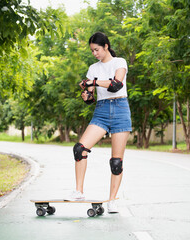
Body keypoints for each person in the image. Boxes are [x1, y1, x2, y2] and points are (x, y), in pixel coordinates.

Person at [68, 32, 132, 213]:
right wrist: (86, 95)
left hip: (120, 108)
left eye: (97, 49)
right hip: (102, 111)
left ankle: (112, 200)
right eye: (92, 51)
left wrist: (93, 82)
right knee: (79, 149)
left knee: (116, 162)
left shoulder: (120, 62)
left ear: (105, 46)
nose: (94, 53)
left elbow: (116, 85)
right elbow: (90, 99)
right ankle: (79, 191)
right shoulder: (92, 68)